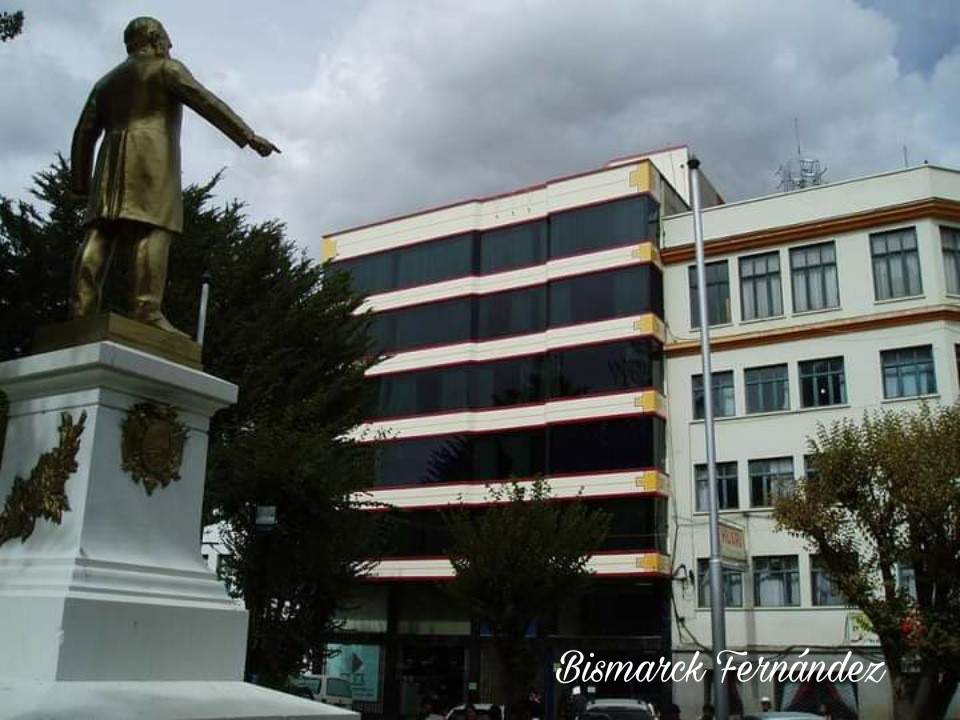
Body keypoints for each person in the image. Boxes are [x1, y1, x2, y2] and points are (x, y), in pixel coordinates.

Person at [70, 16, 279, 336]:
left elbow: (84, 132)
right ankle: (146, 309)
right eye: (167, 39)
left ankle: (81, 310)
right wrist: (248, 136)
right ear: (154, 38)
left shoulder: (106, 82)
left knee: (100, 231)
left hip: (110, 161)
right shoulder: (167, 69)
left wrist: (81, 182)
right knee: (153, 227)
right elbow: (207, 102)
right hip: (151, 157)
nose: (170, 46)